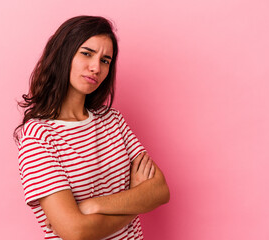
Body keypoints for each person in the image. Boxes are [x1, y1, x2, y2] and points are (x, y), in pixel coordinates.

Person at [14, 15, 170, 240]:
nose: (96, 67)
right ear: (63, 54)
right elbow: (76, 232)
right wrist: (135, 198)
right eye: (86, 54)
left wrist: (89, 206)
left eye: (105, 60)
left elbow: (160, 190)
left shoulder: (112, 120)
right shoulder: (38, 138)